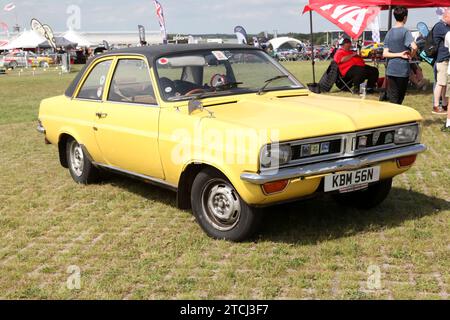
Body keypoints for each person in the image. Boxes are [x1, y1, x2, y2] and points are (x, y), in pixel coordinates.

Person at [383, 7, 418, 105]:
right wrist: (410, 55)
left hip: (391, 69)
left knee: (393, 98)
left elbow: (385, 53)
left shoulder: (389, 32)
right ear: (405, 17)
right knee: (399, 98)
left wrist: (397, 54)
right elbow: (414, 47)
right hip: (402, 70)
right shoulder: (405, 31)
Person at [432, 8, 450, 115]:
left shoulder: (445, 26)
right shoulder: (441, 27)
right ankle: (435, 105)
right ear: (446, 16)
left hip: (445, 59)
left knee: (444, 84)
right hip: (442, 59)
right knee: (440, 83)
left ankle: (444, 104)